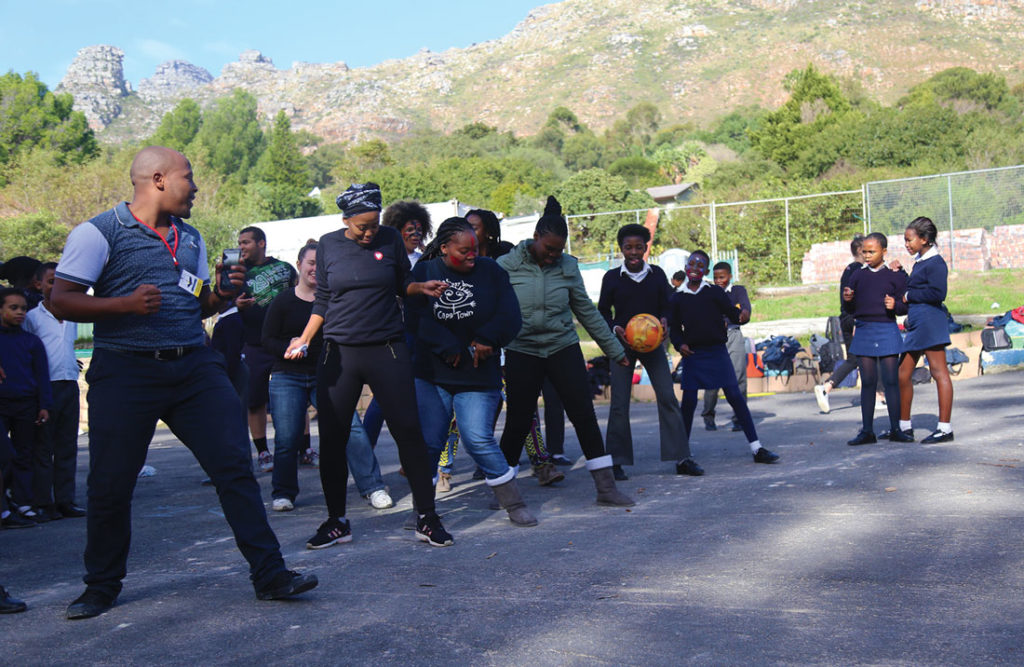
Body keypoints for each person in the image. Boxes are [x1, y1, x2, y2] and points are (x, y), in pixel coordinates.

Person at [50, 146, 316, 620]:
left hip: (194, 366)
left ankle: (271, 575)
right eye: (188, 177)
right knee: (111, 483)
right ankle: (101, 586)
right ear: (157, 179)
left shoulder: (189, 237)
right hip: (126, 370)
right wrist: (123, 306)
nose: (194, 187)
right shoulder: (98, 233)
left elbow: (195, 303)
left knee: (234, 468)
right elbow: (60, 301)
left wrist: (222, 294)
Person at [285, 182, 454, 548]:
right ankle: (336, 521)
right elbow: (324, 300)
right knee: (332, 438)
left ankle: (427, 517)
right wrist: (305, 338)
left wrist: (419, 289)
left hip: (387, 349)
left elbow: (402, 284)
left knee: (408, 431)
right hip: (340, 353)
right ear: (346, 220)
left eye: (373, 224)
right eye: (362, 225)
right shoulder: (329, 244)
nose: (368, 232)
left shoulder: (390, 240)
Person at [496, 196, 634, 506]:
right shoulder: (505, 266)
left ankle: (606, 488)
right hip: (523, 350)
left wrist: (615, 350)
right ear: (535, 238)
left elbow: (586, 311)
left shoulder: (568, 267)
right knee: (518, 419)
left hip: (562, 347)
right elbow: (491, 310)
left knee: (583, 414)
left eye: (559, 251)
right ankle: (504, 491)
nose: (553, 256)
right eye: (549, 249)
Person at [407, 217, 536, 526]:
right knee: (429, 441)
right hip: (432, 373)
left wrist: (488, 339)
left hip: (478, 375)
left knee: (477, 438)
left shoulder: (491, 271)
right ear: (443, 248)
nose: (471, 255)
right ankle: (423, 511)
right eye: (464, 251)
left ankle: (513, 503)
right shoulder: (424, 272)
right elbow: (414, 320)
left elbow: (511, 316)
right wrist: (447, 347)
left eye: (475, 249)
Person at [261, 241, 392, 512]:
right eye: (310, 263)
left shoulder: (335, 300)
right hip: (288, 375)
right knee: (287, 437)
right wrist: (289, 347)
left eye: (319, 265)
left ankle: (373, 487)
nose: (314, 269)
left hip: (329, 374)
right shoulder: (283, 300)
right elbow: (267, 339)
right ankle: (283, 493)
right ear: (299, 265)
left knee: (353, 429)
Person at [599, 224, 703, 480]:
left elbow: (668, 306)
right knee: (620, 403)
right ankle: (616, 460)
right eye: (628, 247)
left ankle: (682, 457)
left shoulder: (656, 275)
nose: (634, 252)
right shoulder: (612, 278)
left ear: (647, 248)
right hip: (623, 344)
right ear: (621, 248)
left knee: (667, 396)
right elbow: (602, 312)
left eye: (639, 247)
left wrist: (665, 320)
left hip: (653, 344)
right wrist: (616, 328)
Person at [669, 251, 780, 465]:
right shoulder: (677, 297)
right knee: (689, 402)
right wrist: (679, 344)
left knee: (735, 396)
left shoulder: (714, 292)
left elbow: (733, 314)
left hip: (717, 351)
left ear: (706, 271)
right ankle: (683, 457)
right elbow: (674, 327)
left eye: (700, 265)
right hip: (693, 354)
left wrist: (743, 317)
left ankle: (757, 448)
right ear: (686, 267)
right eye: (691, 263)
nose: (695, 268)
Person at [23, 262, 88, 521]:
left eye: (61, 281)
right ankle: (43, 502)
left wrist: (72, 363)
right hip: (44, 388)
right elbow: (28, 353)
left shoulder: (72, 314)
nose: (56, 286)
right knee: (43, 448)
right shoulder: (31, 318)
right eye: (51, 281)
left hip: (69, 385)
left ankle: (65, 500)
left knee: (67, 446)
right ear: (39, 285)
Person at [236, 225, 298, 473]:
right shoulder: (237, 273)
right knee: (255, 400)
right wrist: (235, 302)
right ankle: (262, 452)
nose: (241, 247)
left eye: (246, 242)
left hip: (285, 340)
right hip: (254, 342)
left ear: (261, 243)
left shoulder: (283, 269)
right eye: (239, 243)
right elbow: (222, 304)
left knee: (297, 394)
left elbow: (300, 293)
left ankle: (303, 448)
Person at [842, 233, 910, 445]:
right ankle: (867, 431)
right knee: (868, 382)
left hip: (887, 328)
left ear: (884, 252)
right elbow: (849, 307)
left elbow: (905, 304)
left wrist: (895, 306)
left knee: (891, 380)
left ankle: (896, 428)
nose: (868, 255)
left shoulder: (895, 275)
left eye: (872, 251)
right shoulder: (857, 275)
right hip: (864, 329)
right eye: (864, 251)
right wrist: (848, 300)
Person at [895, 216, 954, 444]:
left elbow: (938, 294)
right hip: (918, 324)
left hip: (930, 322)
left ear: (924, 239)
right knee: (902, 374)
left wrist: (910, 296)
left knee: (939, 372)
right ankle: (904, 427)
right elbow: (917, 284)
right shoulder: (921, 260)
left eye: (910, 240)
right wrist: (901, 273)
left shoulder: (936, 262)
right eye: (905, 240)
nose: (906, 244)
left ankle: (945, 428)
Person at [0, 287, 51, 524]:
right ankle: (4, 506)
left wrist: (44, 404)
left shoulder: (31, 341)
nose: (20, 312)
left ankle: (24, 502)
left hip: (26, 404)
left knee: (24, 454)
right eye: (13, 308)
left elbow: (41, 375)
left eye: (23, 308)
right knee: (5, 455)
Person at [815, 235, 864, 413]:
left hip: (845, 318)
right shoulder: (859, 270)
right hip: (855, 320)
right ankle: (879, 395)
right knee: (871, 357)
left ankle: (826, 387)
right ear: (860, 251)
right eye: (866, 249)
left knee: (854, 359)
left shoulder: (848, 269)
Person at [701, 261, 752, 432]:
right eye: (715, 277)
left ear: (730, 276)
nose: (718, 281)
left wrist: (743, 314)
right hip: (714, 338)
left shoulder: (738, 291)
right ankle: (708, 416)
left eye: (722, 277)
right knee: (712, 380)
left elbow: (744, 310)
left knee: (738, 377)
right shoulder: (708, 292)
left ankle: (739, 417)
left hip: (733, 335)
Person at [383, 199, 432, 268]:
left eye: (419, 230)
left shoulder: (425, 260)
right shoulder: (389, 260)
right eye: (410, 229)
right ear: (397, 232)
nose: (416, 234)